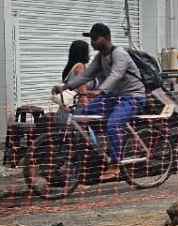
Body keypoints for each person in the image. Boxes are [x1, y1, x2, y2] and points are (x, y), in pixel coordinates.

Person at [53, 23, 148, 182]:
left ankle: (115, 165)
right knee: (82, 115)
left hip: (133, 97)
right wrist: (64, 87)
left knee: (113, 124)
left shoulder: (120, 54)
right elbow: (85, 76)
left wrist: (100, 91)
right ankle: (98, 152)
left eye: (95, 39)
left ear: (107, 38)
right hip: (113, 97)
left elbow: (116, 75)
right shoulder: (100, 57)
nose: (92, 42)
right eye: (91, 39)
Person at [59, 40, 93, 109]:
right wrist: (87, 107)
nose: (89, 54)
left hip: (66, 107)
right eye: (88, 51)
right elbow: (82, 92)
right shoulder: (80, 67)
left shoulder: (69, 67)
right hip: (77, 107)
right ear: (83, 53)